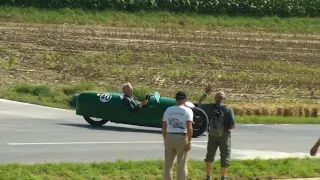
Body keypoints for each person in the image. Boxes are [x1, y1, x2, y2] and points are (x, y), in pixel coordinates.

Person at [198, 85, 236, 180]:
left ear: (215, 98)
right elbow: (232, 125)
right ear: (224, 99)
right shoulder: (228, 109)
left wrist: (206, 93)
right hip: (224, 135)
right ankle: (223, 177)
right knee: (225, 155)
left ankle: (208, 176)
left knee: (210, 155)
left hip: (212, 134)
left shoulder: (210, 107)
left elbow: (199, 104)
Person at [162, 91, 194, 180]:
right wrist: (190, 141)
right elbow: (189, 126)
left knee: (168, 163)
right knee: (182, 164)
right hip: (181, 137)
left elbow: (164, 126)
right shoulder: (188, 110)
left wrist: (165, 139)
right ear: (185, 99)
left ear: (176, 99)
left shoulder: (168, 110)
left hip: (169, 136)